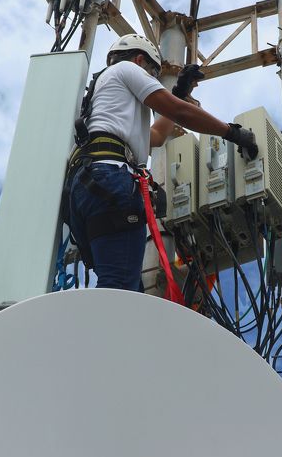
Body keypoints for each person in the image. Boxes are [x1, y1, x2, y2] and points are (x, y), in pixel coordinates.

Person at [67, 33, 257, 291]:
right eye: (152, 75)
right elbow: (177, 111)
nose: (151, 81)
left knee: (126, 287)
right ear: (139, 60)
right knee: (119, 287)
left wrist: (179, 92)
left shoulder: (103, 104)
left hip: (87, 187)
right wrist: (232, 133)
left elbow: (156, 136)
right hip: (110, 179)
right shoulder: (127, 69)